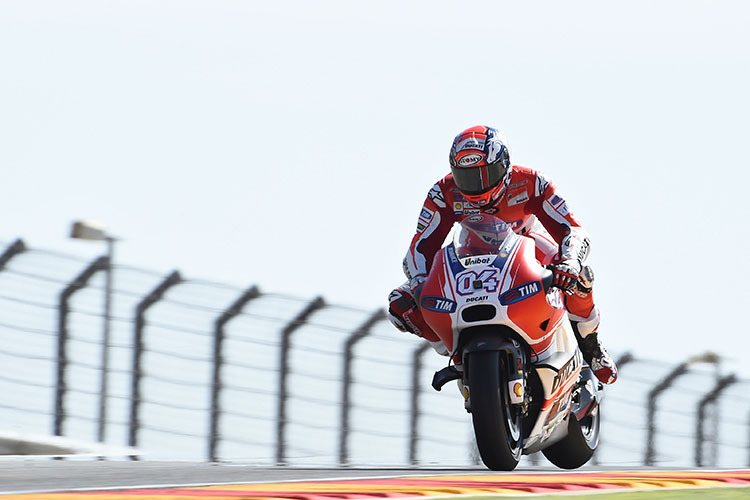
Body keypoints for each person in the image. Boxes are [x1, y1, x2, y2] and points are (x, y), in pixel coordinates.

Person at [387, 125, 617, 385]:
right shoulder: (443, 193)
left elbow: (572, 228)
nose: (477, 187)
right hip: (468, 256)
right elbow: (419, 247)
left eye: (486, 174)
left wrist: (570, 261)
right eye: (467, 177)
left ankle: (591, 345)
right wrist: (419, 283)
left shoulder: (532, 182)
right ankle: (457, 353)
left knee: (580, 276)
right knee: (400, 304)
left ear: (504, 164)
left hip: (526, 247)